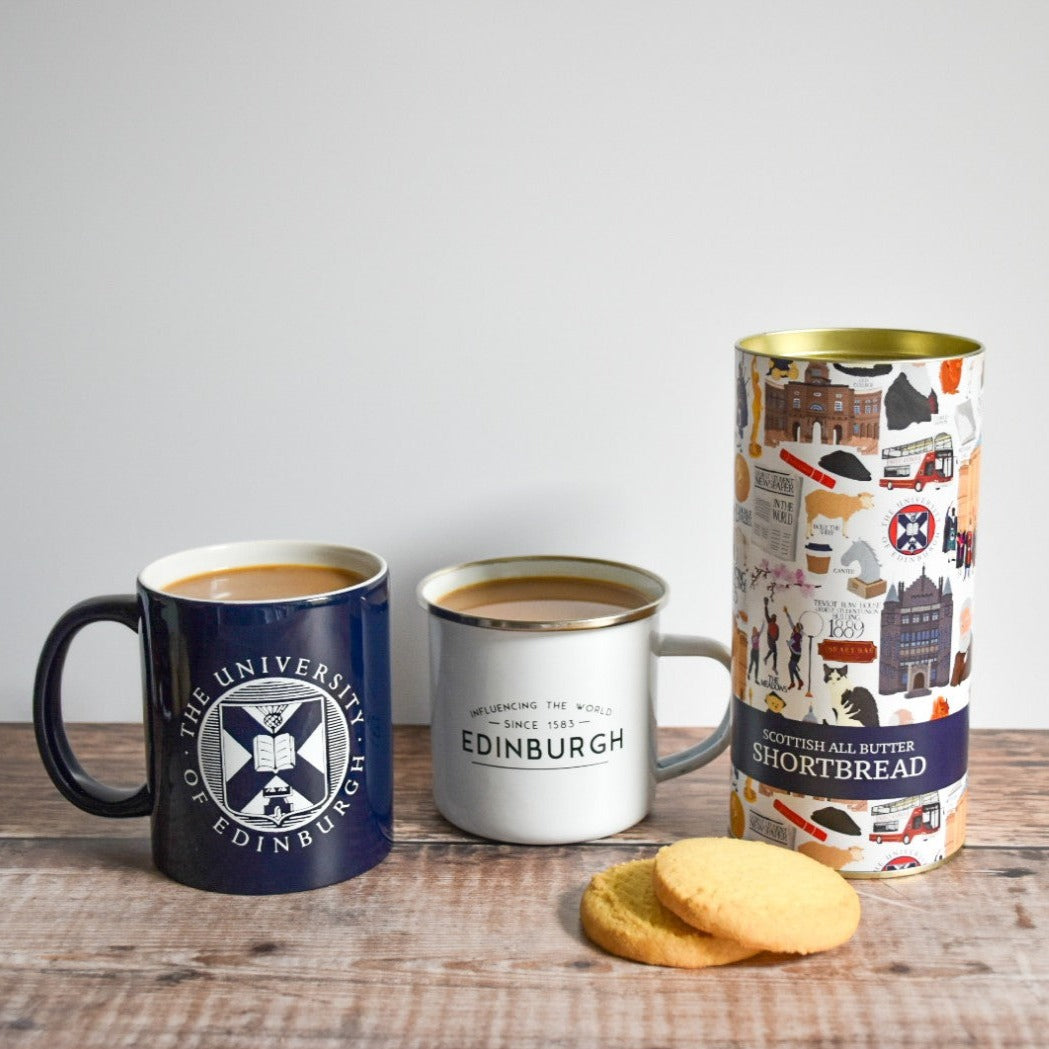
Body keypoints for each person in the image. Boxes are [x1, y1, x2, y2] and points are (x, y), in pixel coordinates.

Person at [783, 607, 804, 689]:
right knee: (792, 667)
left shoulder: (798, 635)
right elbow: (790, 622)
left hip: (796, 654)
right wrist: (786, 613)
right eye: (795, 627)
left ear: (799, 629)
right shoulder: (795, 631)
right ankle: (799, 681)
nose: (794, 627)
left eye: (796, 627)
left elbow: (790, 643)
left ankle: (794, 682)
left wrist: (788, 642)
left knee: (790, 666)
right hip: (794, 652)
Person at [763, 597, 780, 679]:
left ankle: (774, 666)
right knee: (773, 650)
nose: (775, 618)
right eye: (774, 617)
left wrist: (776, 638)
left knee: (775, 653)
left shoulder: (777, 626)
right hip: (769, 638)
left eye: (775, 617)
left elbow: (778, 635)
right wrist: (766, 605)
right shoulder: (770, 621)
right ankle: (766, 659)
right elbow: (766, 614)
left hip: (773, 640)